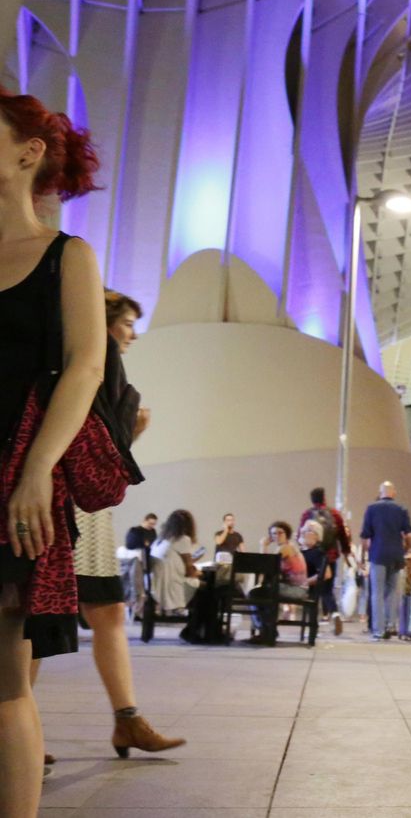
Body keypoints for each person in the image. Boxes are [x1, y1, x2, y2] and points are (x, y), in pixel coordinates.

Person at [1, 86, 106, 813]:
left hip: (11, 477)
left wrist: (38, 468)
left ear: (27, 154)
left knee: (6, 681)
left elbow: (86, 366)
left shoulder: (65, 256)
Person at [35, 288, 180, 762]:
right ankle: (19, 732)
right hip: (65, 498)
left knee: (106, 614)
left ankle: (128, 719)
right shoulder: (87, 359)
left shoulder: (95, 362)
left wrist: (126, 434)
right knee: (37, 616)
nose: (132, 333)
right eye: (127, 322)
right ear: (105, 319)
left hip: (87, 508)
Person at [360, 481, 411, 641]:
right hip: (396, 556)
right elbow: (409, 535)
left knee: (377, 593)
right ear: (393, 493)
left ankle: (378, 630)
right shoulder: (401, 509)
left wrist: (364, 555)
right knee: (392, 592)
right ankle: (391, 625)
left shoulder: (371, 509)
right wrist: (405, 549)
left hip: (378, 555)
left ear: (380, 492)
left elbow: (364, 536)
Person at [247, 522, 310, 645]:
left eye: (280, 532)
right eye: (274, 533)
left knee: (255, 594)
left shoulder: (286, 548)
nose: (277, 535)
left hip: (297, 589)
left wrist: (263, 546)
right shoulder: (285, 547)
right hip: (293, 587)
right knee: (261, 593)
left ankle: (266, 631)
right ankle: (268, 631)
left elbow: (266, 567)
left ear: (287, 534)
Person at [299, 486, 351, 631]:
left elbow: (300, 535)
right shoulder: (334, 514)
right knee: (327, 590)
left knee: (311, 590)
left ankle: (312, 624)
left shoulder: (307, 514)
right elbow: (343, 536)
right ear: (324, 498)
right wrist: (346, 552)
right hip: (330, 556)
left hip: (310, 556)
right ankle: (334, 614)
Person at [150, 510, 202, 612]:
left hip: (156, 583)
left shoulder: (160, 540)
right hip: (171, 585)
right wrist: (197, 573)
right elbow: (189, 570)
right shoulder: (183, 539)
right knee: (208, 588)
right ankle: (201, 625)